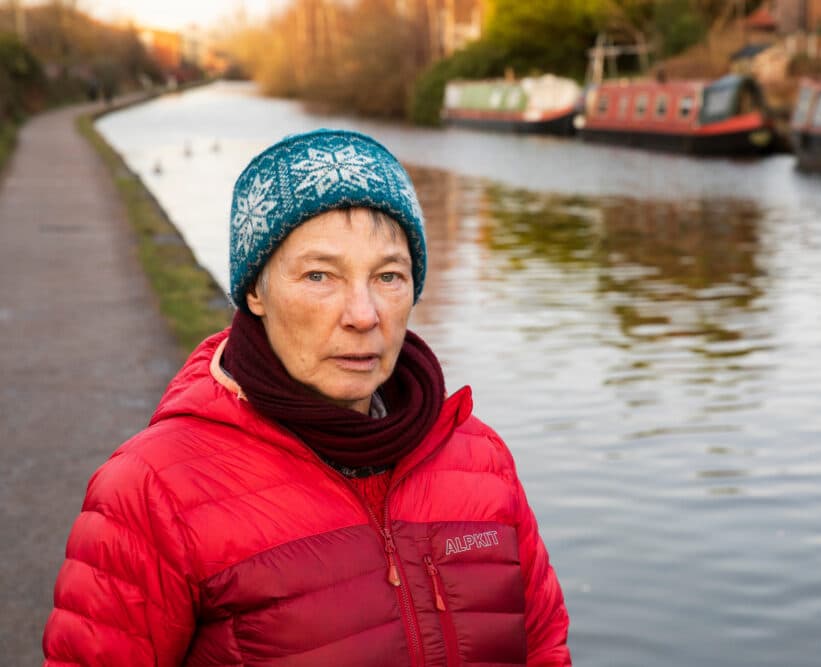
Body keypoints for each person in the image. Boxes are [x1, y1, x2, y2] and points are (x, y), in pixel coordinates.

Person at [42, 129, 571, 665]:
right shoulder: (154, 492)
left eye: (388, 276)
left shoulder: (482, 463)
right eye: (320, 275)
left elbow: (545, 649)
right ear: (255, 292)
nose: (364, 315)